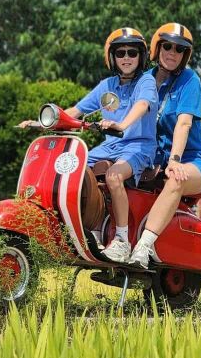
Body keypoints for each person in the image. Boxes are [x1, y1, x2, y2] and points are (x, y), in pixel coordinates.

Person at [18, 27, 157, 263]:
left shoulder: (146, 81)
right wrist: (42, 123)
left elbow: (142, 105)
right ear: (112, 57)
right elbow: (74, 112)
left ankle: (122, 241)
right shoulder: (107, 86)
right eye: (120, 52)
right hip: (111, 146)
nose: (126, 58)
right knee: (73, 171)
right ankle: (89, 228)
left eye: (132, 53)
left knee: (113, 176)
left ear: (141, 56)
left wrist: (122, 124)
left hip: (139, 146)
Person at [127, 23, 201, 268]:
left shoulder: (190, 80)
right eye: (167, 46)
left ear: (185, 55)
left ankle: (143, 249)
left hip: (193, 160)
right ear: (158, 47)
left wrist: (175, 161)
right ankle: (117, 239)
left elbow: (183, 124)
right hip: (153, 159)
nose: (172, 53)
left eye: (179, 49)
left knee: (177, 178)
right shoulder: (144, 80)